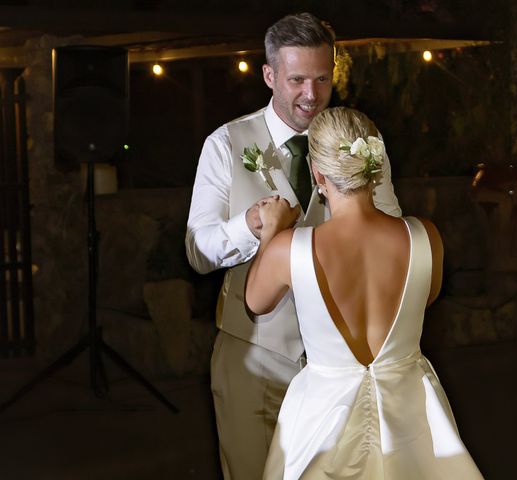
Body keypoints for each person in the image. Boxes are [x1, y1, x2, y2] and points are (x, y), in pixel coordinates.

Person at [185, 13, 401, 479]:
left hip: (343, 362)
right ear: (269, 75)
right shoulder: (226, 144)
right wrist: (250, 225)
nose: (311, 94)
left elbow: (393, 228)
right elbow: (198, 251)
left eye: (322, 78)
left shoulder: (362, 141)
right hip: (254, 360)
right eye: (297, 79)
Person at [246, 107, 484, 479]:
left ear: (317, 173)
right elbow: (427, 295)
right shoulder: (425, 236)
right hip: (412, 416)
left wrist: (269, 235)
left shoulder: (289, 248)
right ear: (375, 166)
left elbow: (255, 302)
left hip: (322, 418)